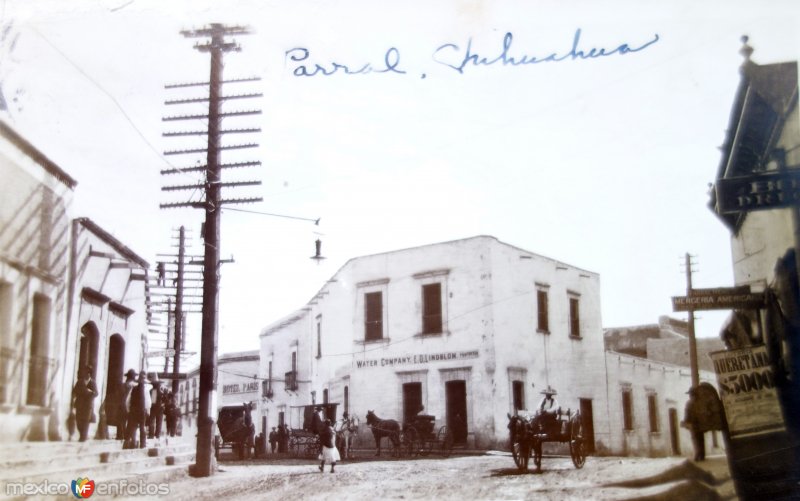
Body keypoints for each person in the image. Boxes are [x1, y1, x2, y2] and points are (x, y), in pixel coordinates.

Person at [72, 366, 98, 442]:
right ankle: (82, 434)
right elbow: (74, 391)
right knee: (78, 420)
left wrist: (90, 392)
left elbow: (96, 393)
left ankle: (83, 437)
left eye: (87, 372)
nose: (85, 374)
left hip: (88, 405)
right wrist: (81, 392)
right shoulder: (80, 382)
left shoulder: (93, 383)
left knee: (86, 420)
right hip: (80, 404)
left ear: (89, 374)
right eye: (84, 372)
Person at [682, 386, 706, 461]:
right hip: (700, 423)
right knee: (700, 439)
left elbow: (687, 414)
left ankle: (698, 454)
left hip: (693, 424)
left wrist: (686, 422)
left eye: (690, 394)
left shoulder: (689, 403)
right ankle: (701, 455)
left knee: (696, 439)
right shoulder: (700, 402)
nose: (690, 396)